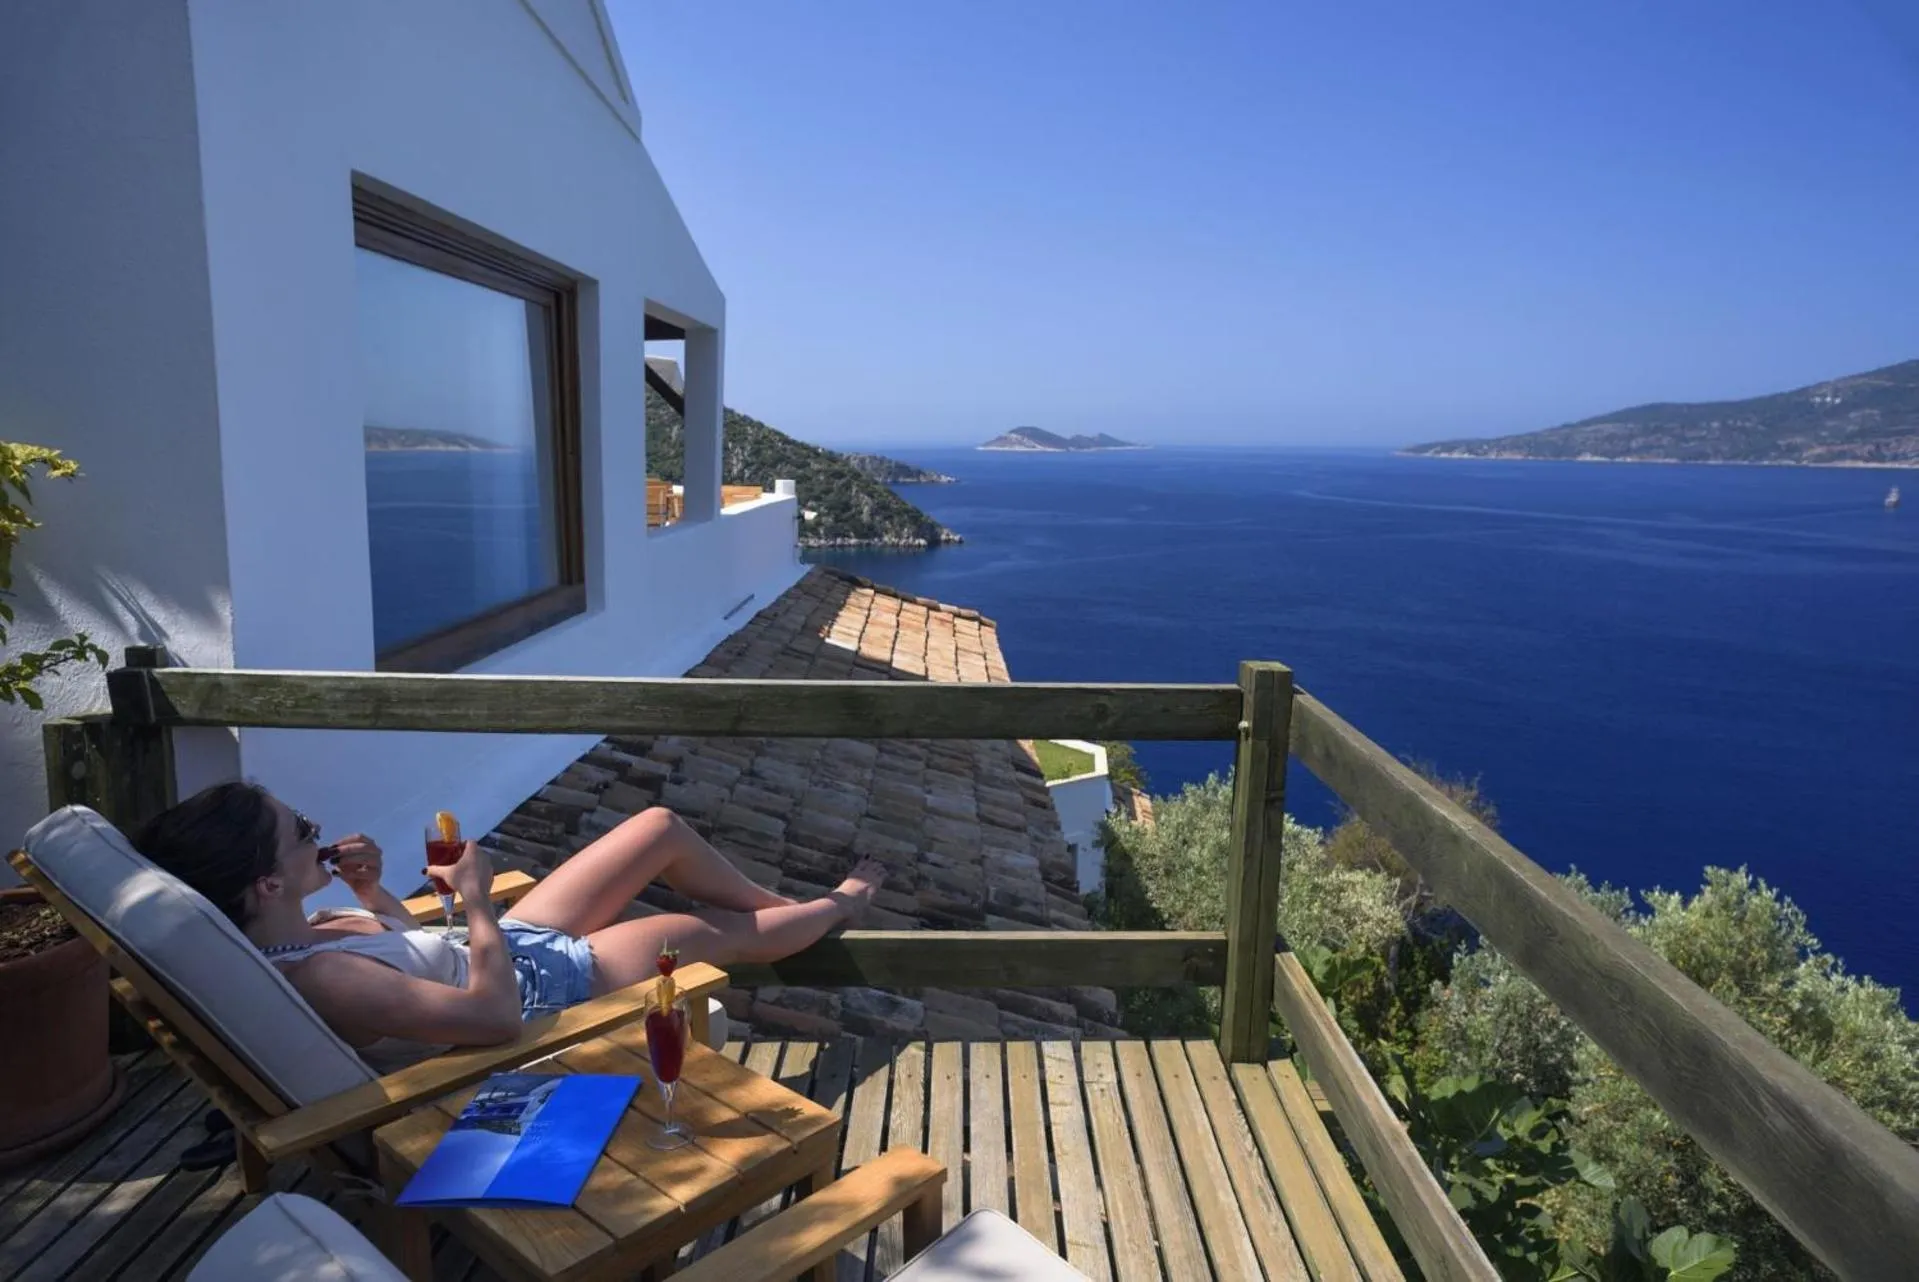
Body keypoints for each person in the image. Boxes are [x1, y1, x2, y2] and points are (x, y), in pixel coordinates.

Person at [132, 782, 885, 1070]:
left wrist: (374, 895)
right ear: (266, 882)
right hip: (543, 989)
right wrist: (481, 898)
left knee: (656, 825)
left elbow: (415, 955)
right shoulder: (322, 975)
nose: (317, 827)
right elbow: (490, 1022)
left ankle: (786, 913)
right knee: (706, 930)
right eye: (300, 829)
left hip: (505, 951)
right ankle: (839, 907)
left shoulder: (303, 934)